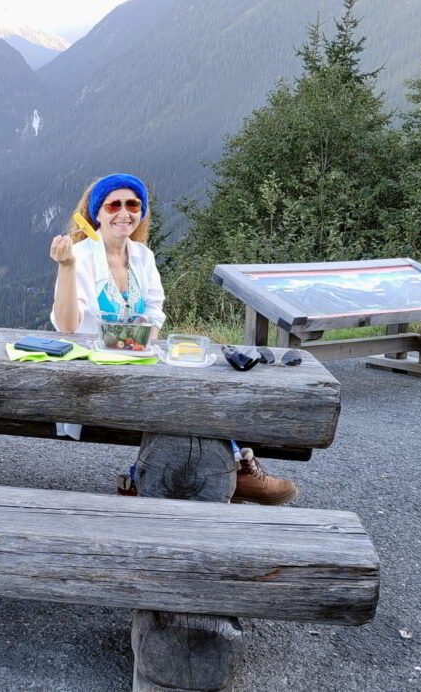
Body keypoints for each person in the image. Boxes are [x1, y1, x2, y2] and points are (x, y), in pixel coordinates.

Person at [48, 173, 298, 505]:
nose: (124, 212)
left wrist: (142, 339)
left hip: (138, 361)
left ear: (141, 211)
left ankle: (220, 469)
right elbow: (67, 327)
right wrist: (66, 267)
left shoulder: (142, 257)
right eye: (114, 205)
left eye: (132, 204)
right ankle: (237, 473)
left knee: (203, 381)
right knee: (185, 396)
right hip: (96, 371)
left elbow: (155, 313)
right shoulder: (79, 255)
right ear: (98, 213)